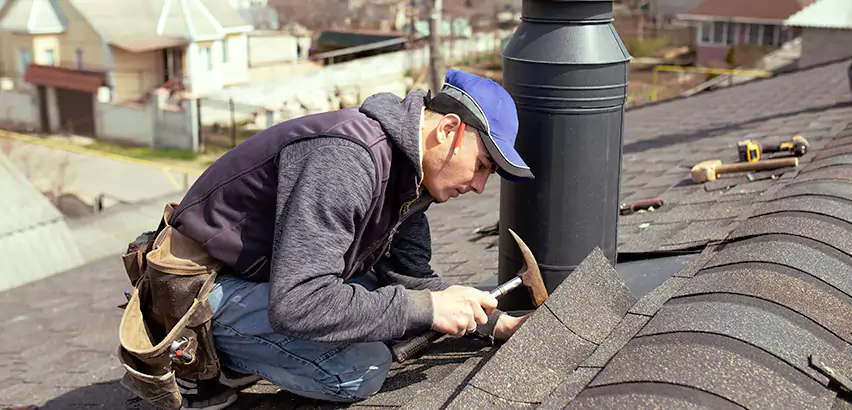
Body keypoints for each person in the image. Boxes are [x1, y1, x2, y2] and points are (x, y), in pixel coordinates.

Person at [168, 68, 535, 410]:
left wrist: (495, 323)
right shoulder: (347, 159)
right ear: (448, 129)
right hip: (200, 291)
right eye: (482, 165)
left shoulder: (410, 177)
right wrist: (427, 309)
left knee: (388, 310)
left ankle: (253, 346)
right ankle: (203, 356)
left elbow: (409, 281)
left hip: (267, 281)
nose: (479, 186)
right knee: (361, 368)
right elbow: (299, 302)